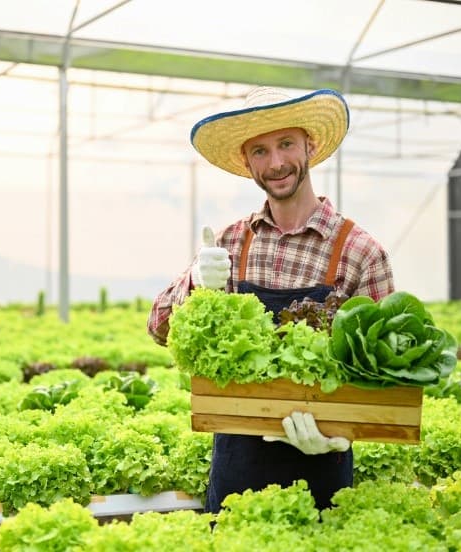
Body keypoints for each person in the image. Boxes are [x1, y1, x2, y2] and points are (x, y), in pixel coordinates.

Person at [146, 86, 395, 513]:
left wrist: (342, 432)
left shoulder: (360, 253)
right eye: (260, 151)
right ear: (247, 163)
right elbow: (159, 328)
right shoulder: (229, 243)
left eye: (285, 144)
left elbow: (386, 378)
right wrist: (195, 283)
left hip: (323, 472)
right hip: (237, 472)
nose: (276, 163)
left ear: (309, 146)